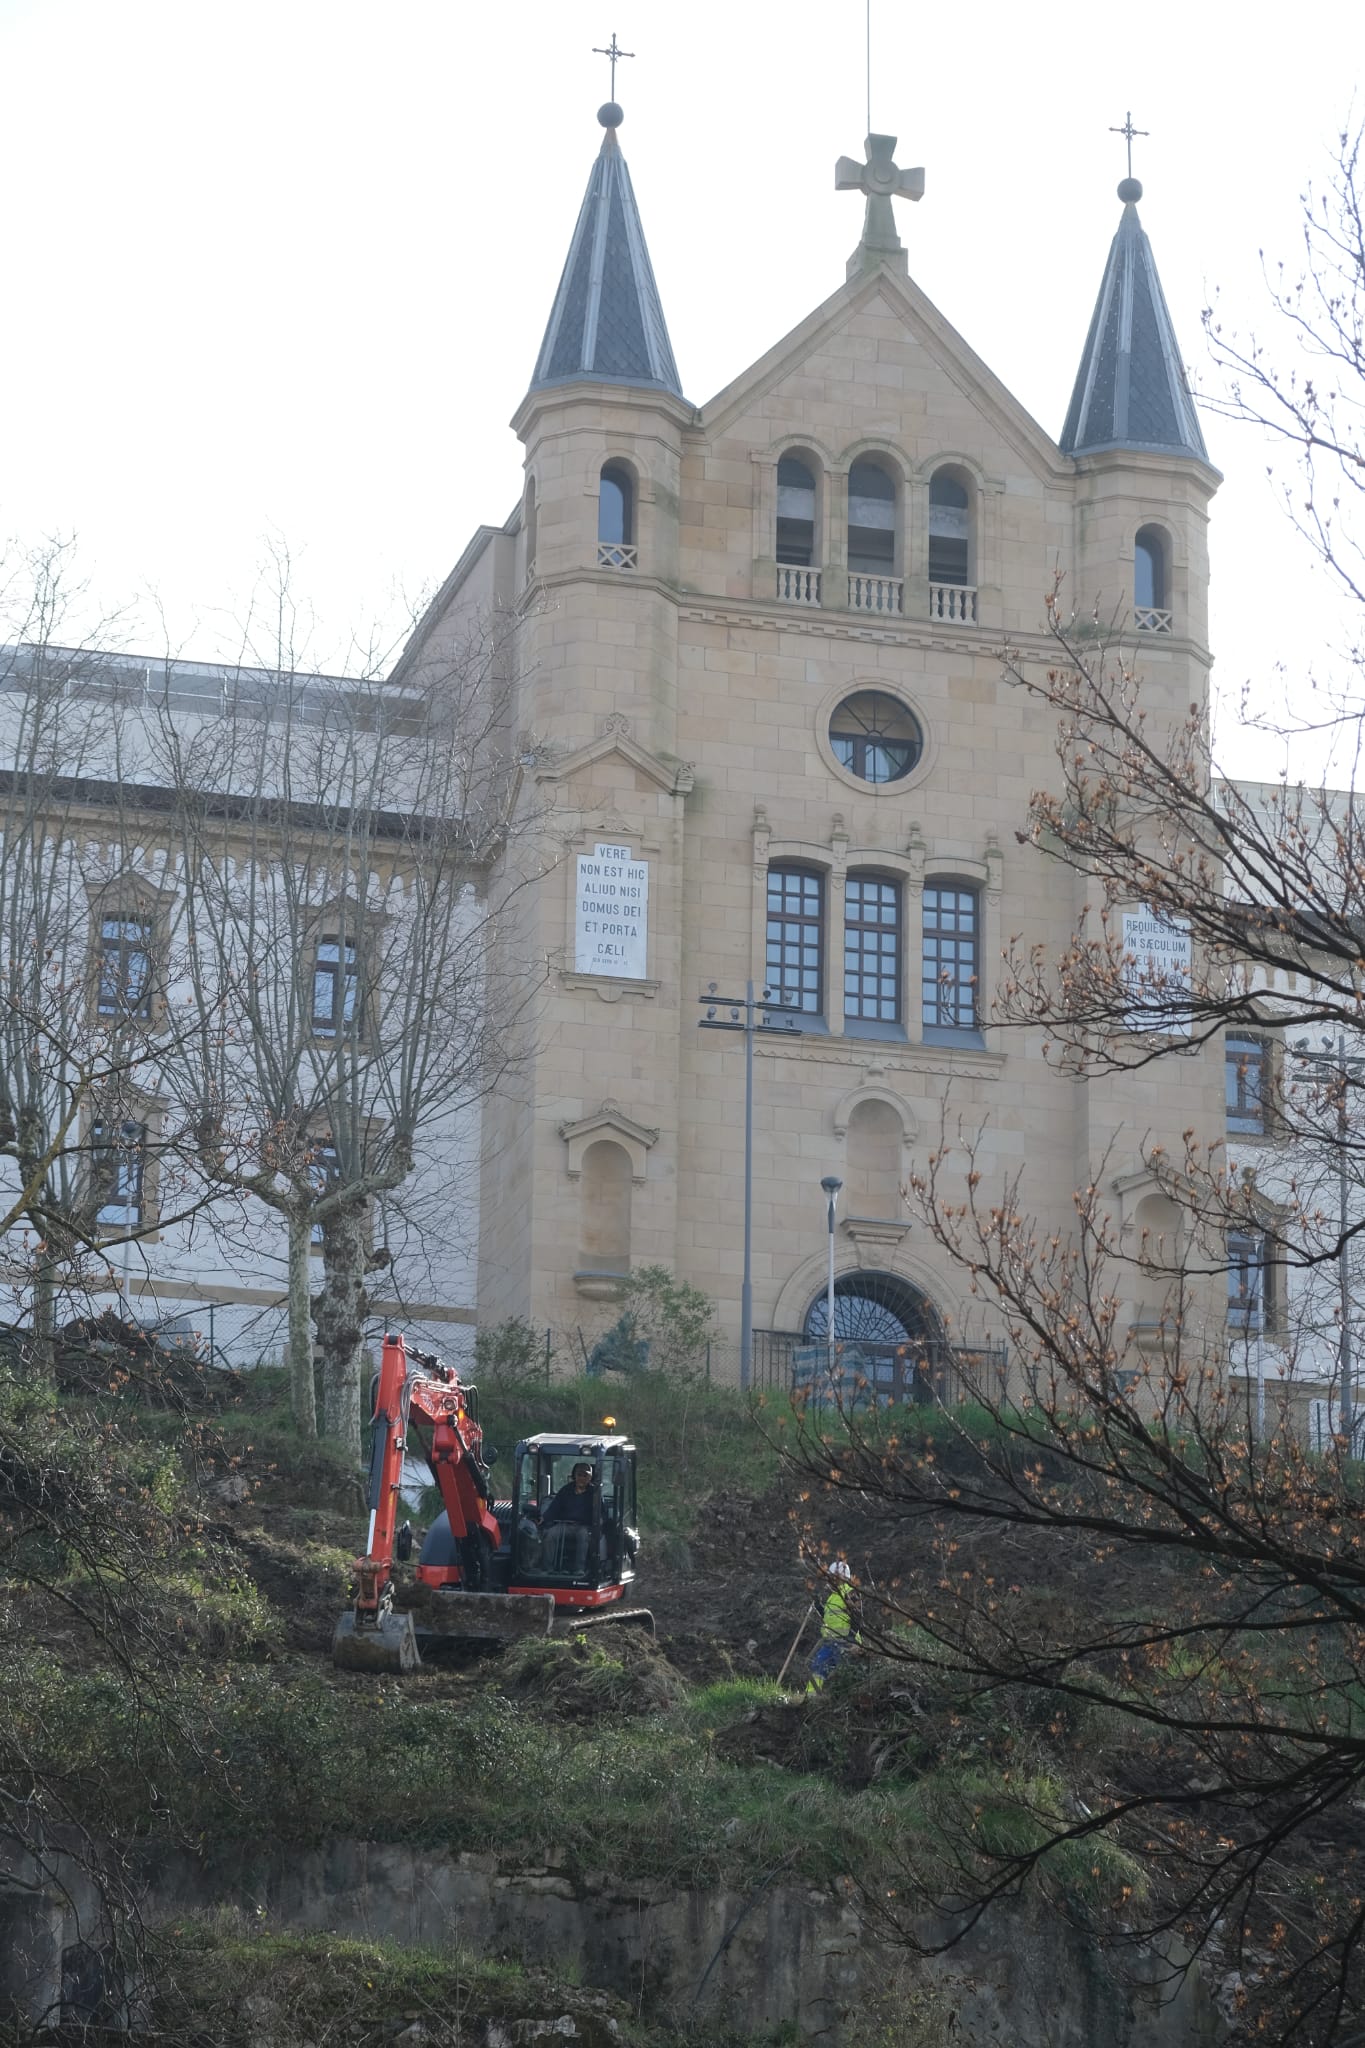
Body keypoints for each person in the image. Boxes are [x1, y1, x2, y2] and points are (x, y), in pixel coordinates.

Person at [806, 1560, 861, 1693]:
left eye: (832, 1576)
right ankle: (812, 1697)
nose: (829, 1580)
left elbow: (857, 1616)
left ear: (841, 1577)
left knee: (845, 1673)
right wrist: (818, 1605)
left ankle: (844, 1699)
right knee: (817, 1667)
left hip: (846, 1643)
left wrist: (852, 1637)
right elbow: (828, 1616)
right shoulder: (833, 1596)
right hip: (830, 1642)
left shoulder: (850, 1593)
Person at [541, 1461, 595, 1572]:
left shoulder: (595, 1493)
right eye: (579, 1475)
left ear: (590, 1478)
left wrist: (599, 1524)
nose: (582, 1478)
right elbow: (554, 1507)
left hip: (584, 1527)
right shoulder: (565, 1490)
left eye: (585, 1475)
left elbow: (601, 1512)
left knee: (583, 1536)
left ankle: (579, 1569)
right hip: (564, 1525)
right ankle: (548, 1569)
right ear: (574, 1476)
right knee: (550, 1535)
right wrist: (543, 1518)